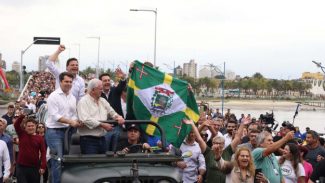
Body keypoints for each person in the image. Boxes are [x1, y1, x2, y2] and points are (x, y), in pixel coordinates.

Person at [182, 118, 245, 183]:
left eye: (220, 143)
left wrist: (242, 123)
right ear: (212, 144)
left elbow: (237, 138)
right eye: (216, 143)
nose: (218, 145)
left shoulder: (228, 151)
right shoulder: (208, 152)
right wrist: (192, 124)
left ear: (223, 144)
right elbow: (199, 139)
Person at [46, 72, 82, 183]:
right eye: (66, 81)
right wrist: (71, 121)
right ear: (60, 82)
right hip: (54, 132)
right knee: (57, 161)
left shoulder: (72, 97)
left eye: (70, 82)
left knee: (65, 161)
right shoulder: (53, 96)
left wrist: (76, 120)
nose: (68, 84)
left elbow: (73, 114)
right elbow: (55, 116)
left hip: (68, 132)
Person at [77, 78, 124, 154]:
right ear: (92, 90)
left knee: (103, 164)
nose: (102, 91)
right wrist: (102, 125)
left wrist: (118, 117)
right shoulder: (83, 102)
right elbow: (85, 119)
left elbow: (111, 112)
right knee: (91, 164)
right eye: (100, 89)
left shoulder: (103, 100)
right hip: (89, 140)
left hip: (102, 138)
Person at [99, 70, 127, 151]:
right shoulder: (98, 93)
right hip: (103, 125)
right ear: (100, 82)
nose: (107, 82)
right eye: (104, 81)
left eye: (108, 80)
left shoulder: (115, 90)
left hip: (116, 124)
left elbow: (122, 84)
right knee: (105, 145)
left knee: (116, 144)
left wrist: (122, 77)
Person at [14, 115, 46, 183]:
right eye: (29, 126)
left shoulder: (39, 138)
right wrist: (22, 115)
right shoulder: (22, 134)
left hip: (34, 167)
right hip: (21, 167)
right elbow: (16, 124)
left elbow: (43, 152)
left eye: (32, 126)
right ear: (25, 127)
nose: (31, 127)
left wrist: (43, 166)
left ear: (35, 126)